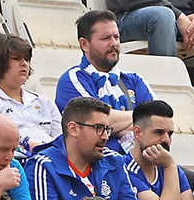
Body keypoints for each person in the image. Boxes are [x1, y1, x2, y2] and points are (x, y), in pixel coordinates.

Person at [55, 9, 155, 149]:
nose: (113, 43)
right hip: (98, 166)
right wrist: (141, 119)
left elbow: (159, 123)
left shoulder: (134, 80)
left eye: (116, 37)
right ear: (84, 44)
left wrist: (116, 123)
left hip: (142, 163)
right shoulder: (72, 79)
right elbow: (96, 124)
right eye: (105, 38)